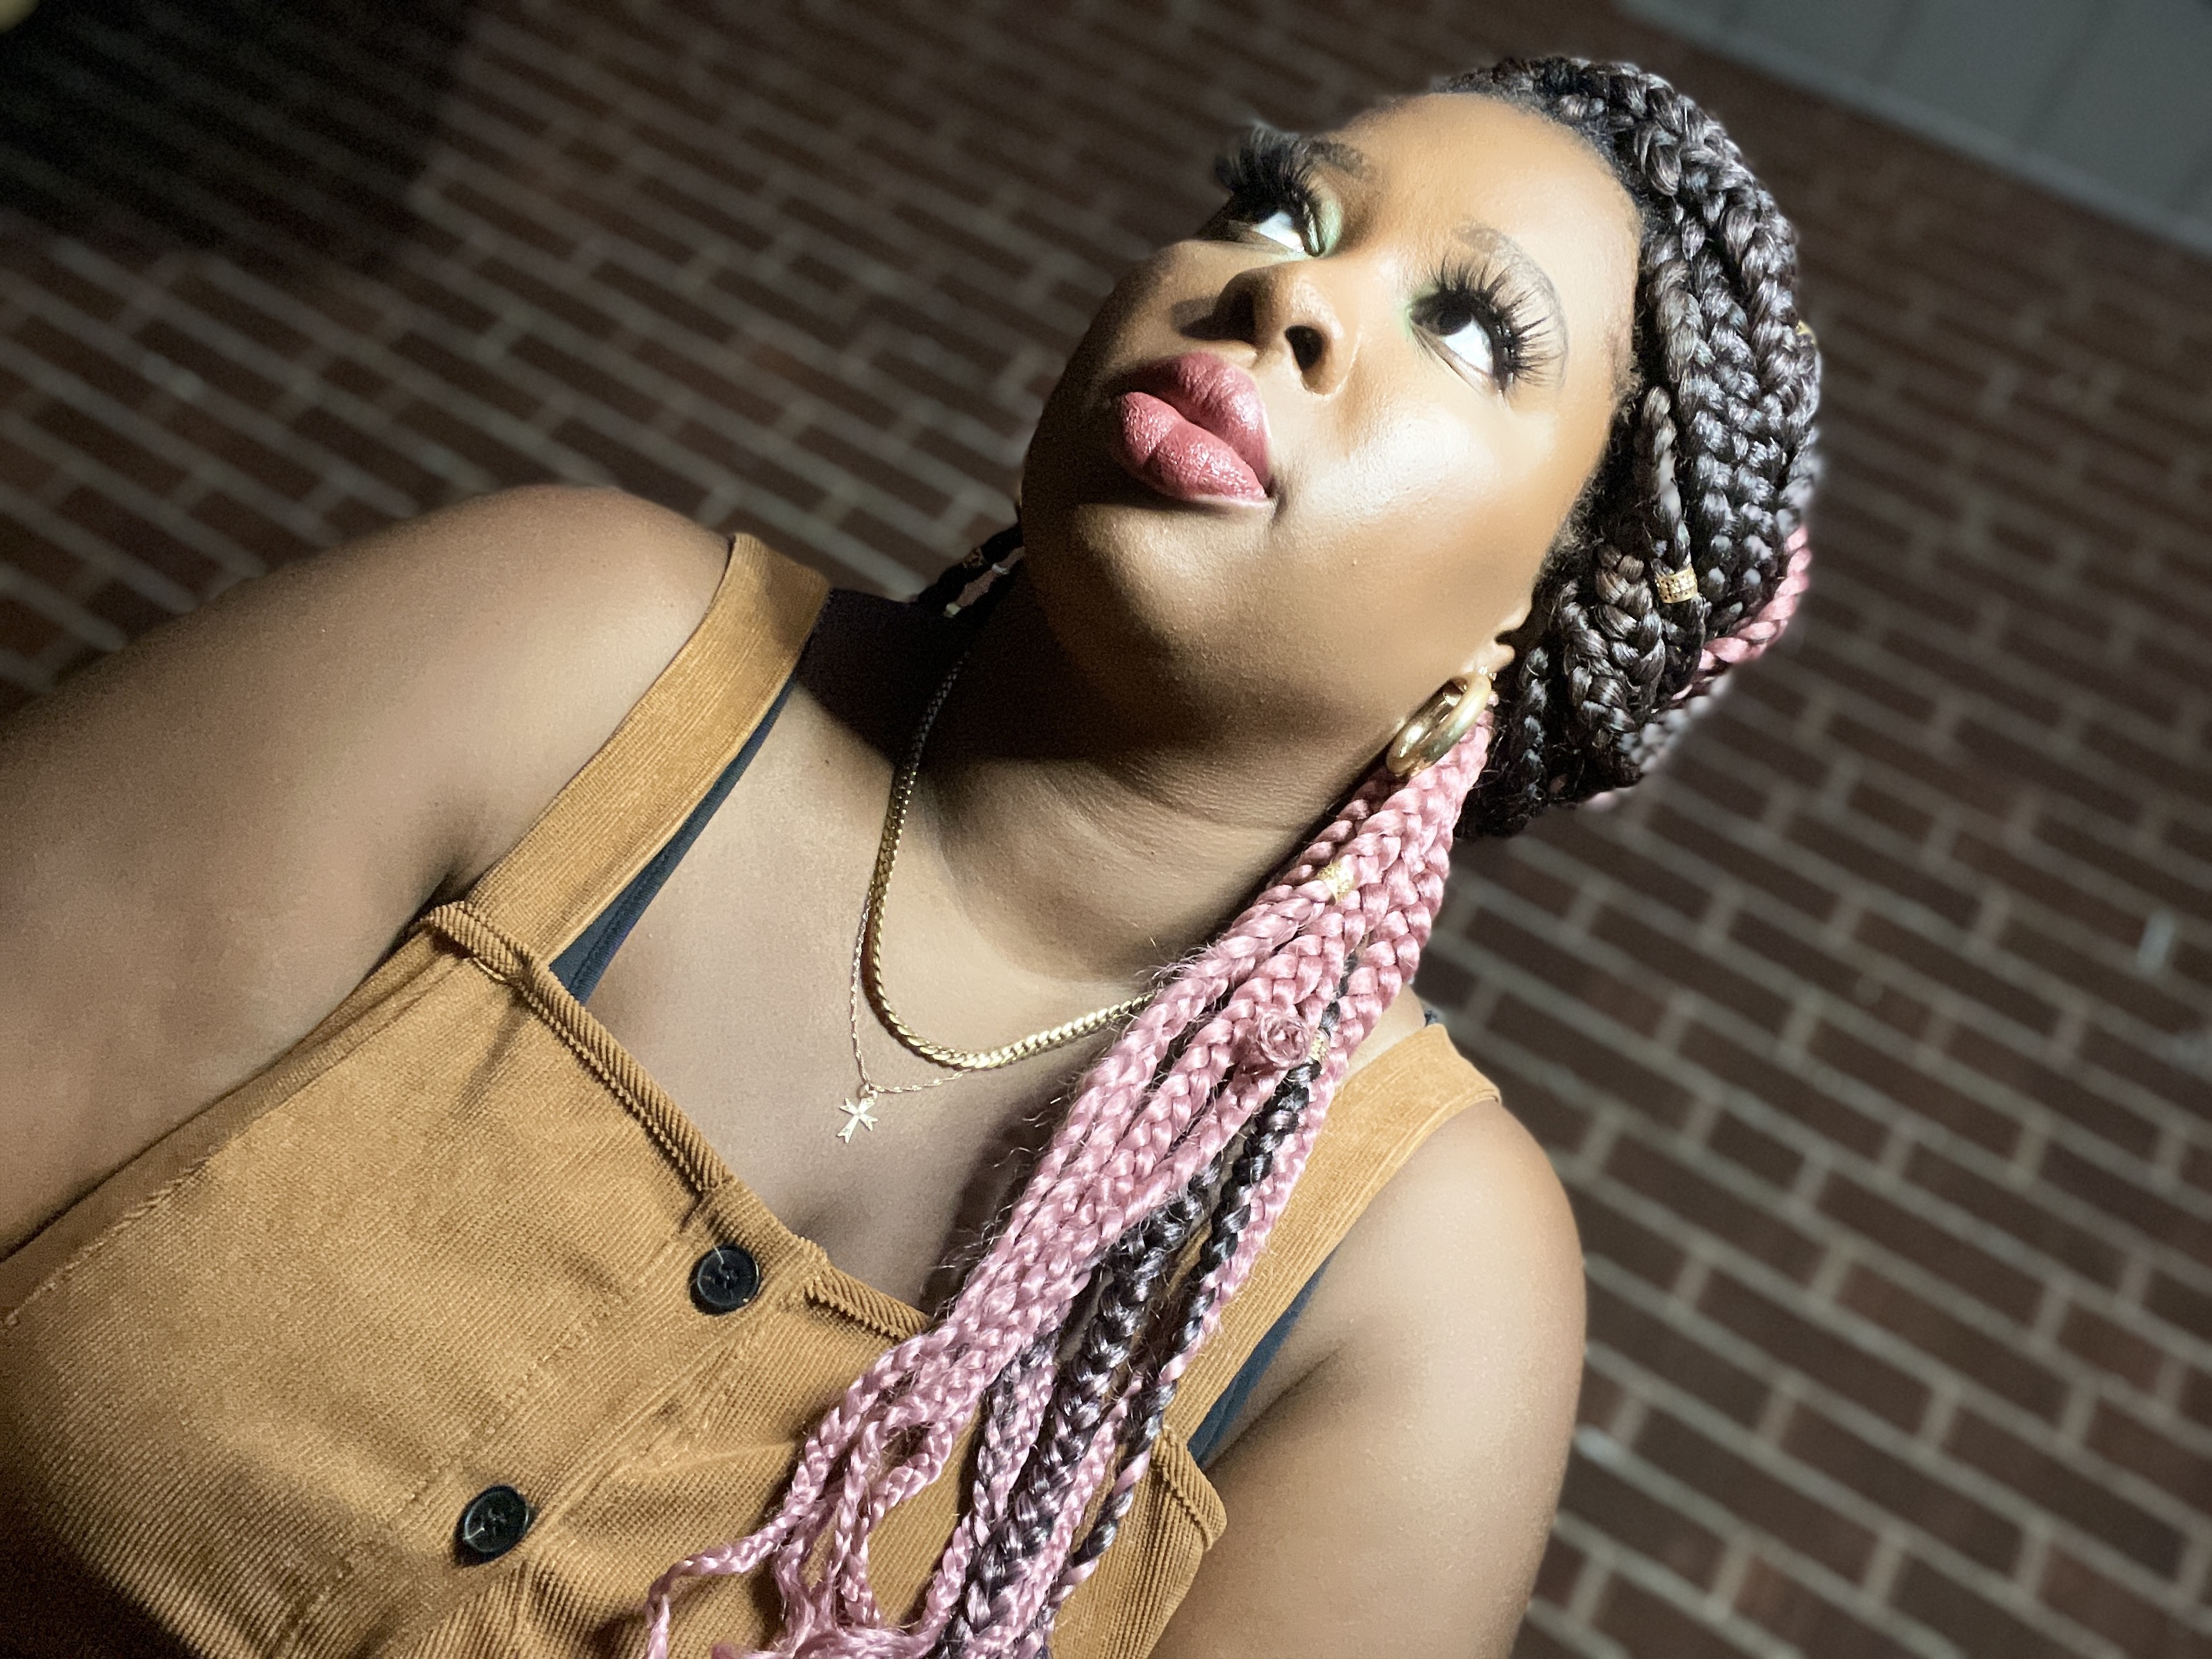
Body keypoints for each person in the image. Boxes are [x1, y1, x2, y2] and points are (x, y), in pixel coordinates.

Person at [0, 55, 1817, 1659]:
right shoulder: (557, 647)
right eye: (1279, 210)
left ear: (1540, 614)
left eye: (1472, 332)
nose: (1288, 289)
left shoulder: (1418, 1284)